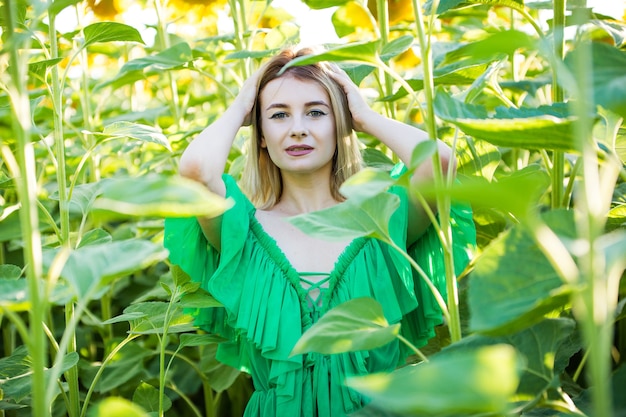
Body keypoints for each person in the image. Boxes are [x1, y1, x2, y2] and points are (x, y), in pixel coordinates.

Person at [164, 47, 476, 417]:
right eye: (279, 115)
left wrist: (363, 115)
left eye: (316, 112)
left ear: (339, 125)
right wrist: (240, 106)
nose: (298, 128)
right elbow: (197, 171)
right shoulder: (242, 233)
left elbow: (439, 164)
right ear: (260, 134)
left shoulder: (382, 219)